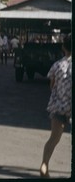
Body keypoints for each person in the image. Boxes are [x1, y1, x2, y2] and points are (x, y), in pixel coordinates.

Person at [40, 34, 71, 178]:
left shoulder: (57, 65)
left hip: (59, 106)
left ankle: (45, 165)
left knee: (53, 138)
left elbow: (52, 86)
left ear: (63, 47)